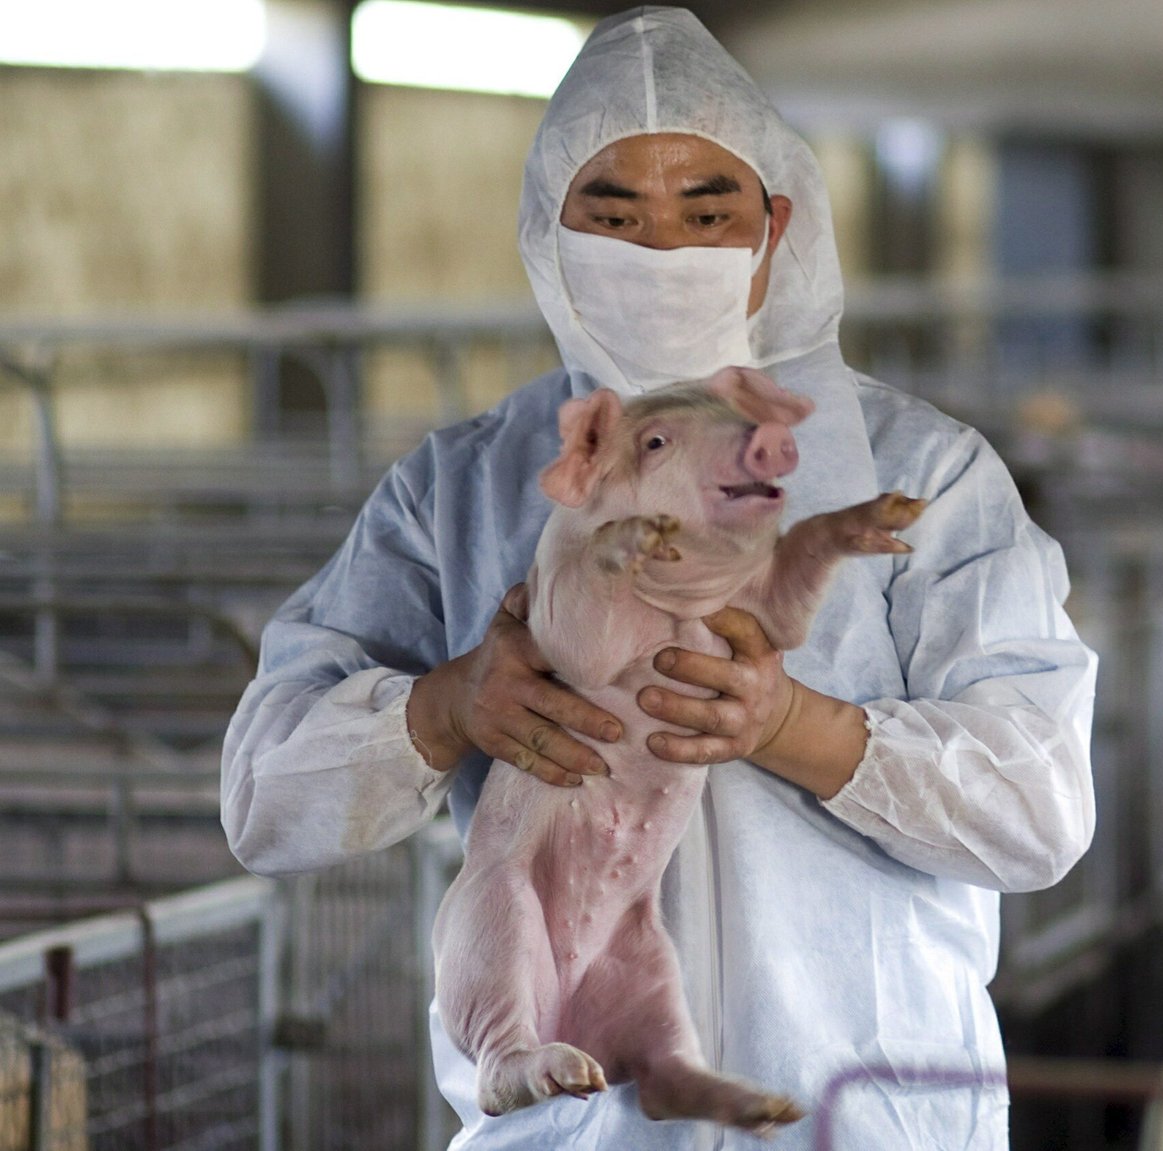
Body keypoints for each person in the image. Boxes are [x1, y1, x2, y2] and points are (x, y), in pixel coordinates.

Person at [219, 8, 1097, 1148]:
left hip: (861, 1111)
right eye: (614, 213)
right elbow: (264, 796)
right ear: (551, 230)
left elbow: (1038, 809)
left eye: (707, 209)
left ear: (773, 228)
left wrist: (795, 724)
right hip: (566, 1127)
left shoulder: (922, 474)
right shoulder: (465, 487)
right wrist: (446, 706)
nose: (662, 248)